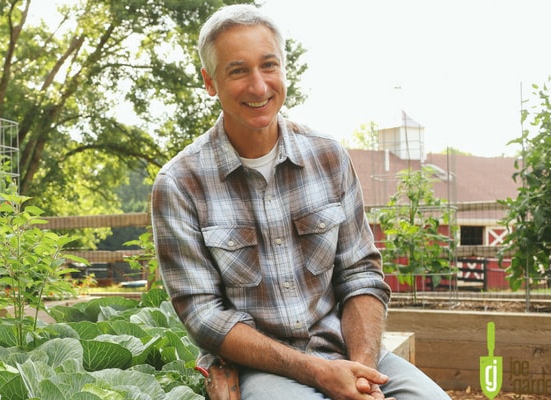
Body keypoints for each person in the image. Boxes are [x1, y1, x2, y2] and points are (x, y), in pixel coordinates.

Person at [150, 4, 450, 400]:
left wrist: (361, 372)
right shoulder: (179, 184)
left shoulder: (328, 157)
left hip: (347, 349)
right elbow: (204, 317)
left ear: (283, 69)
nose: (259, 86)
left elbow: (360, 275)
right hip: (259, 369)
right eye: (238, 70)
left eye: (268, 65)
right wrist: (319, 373)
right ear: (210, 82)